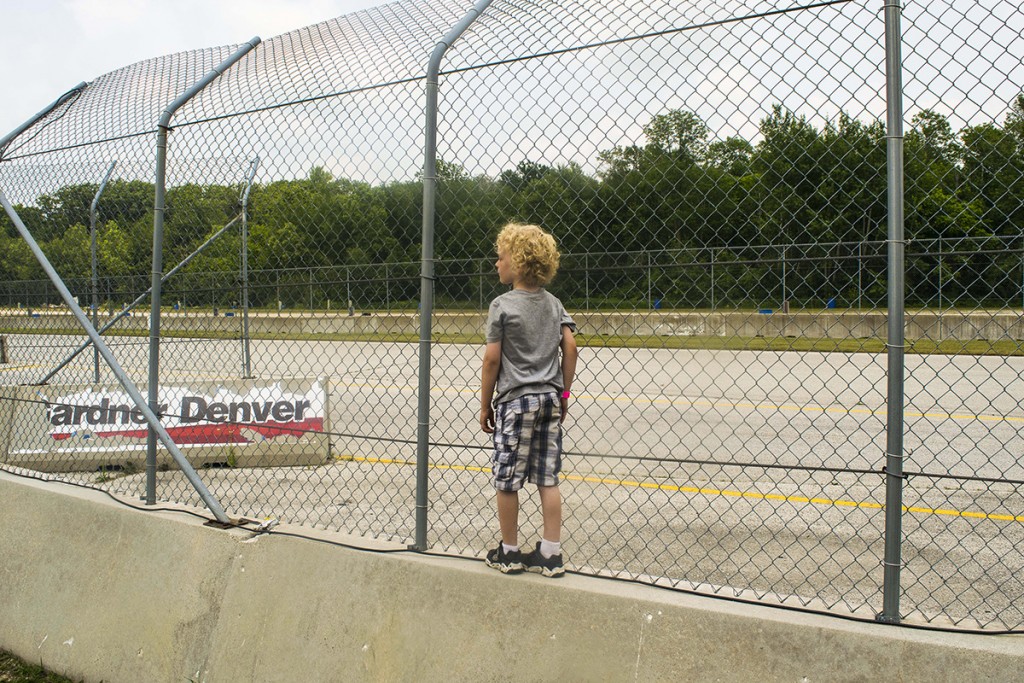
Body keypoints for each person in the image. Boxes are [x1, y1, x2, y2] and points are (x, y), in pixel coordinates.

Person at [480, 222, 577, 577]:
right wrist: (563, 393)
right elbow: (570, 346)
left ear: (517, 263)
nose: (496, 264)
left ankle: (509, 552)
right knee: (547, 477)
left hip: (515, 402)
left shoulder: (501, 305)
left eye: (500, 257)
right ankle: (550, 553)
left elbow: (492, 359)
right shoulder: (554, 304)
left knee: (507, 479)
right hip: (550, 399)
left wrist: (485, 404)